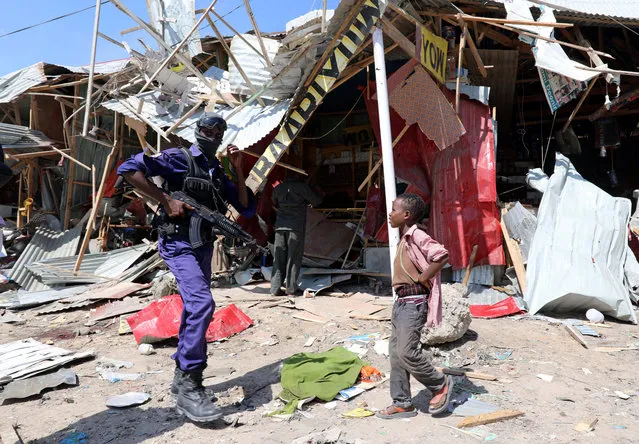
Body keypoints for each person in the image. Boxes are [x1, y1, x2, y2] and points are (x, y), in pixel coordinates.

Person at [117, 113, 256, 423]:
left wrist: (238, 170)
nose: (213, 134)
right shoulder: (177, 158)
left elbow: (245, 206)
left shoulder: (218, 172)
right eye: (207, 128)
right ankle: (190, 380)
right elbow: (128, 169)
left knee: (195, 308)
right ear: (197, 130)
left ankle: (182, 381)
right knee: (203, 303)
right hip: (177, 242)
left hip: (203, 245)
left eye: (219, 130)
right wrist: (165, 199)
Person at [376, 193, 454, 419]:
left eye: (394, 210)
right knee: (396, 355)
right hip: (401, 303)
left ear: (407, 215)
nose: (390, 213)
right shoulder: (405, 238)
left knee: (406, 351)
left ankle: (440, 384)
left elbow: (440, 255)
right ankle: (402, 403)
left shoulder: (417, 234)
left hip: (413, 302)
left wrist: (423, 278)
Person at [270, 171, 322, 296]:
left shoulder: (278, 188)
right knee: (293, 258)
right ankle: (291, 290)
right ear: (298, 176)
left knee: (278, 258)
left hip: (280, 227)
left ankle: (275, 289)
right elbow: (316, 201)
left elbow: (274, 202)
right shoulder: (302, 187)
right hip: (295, 227)